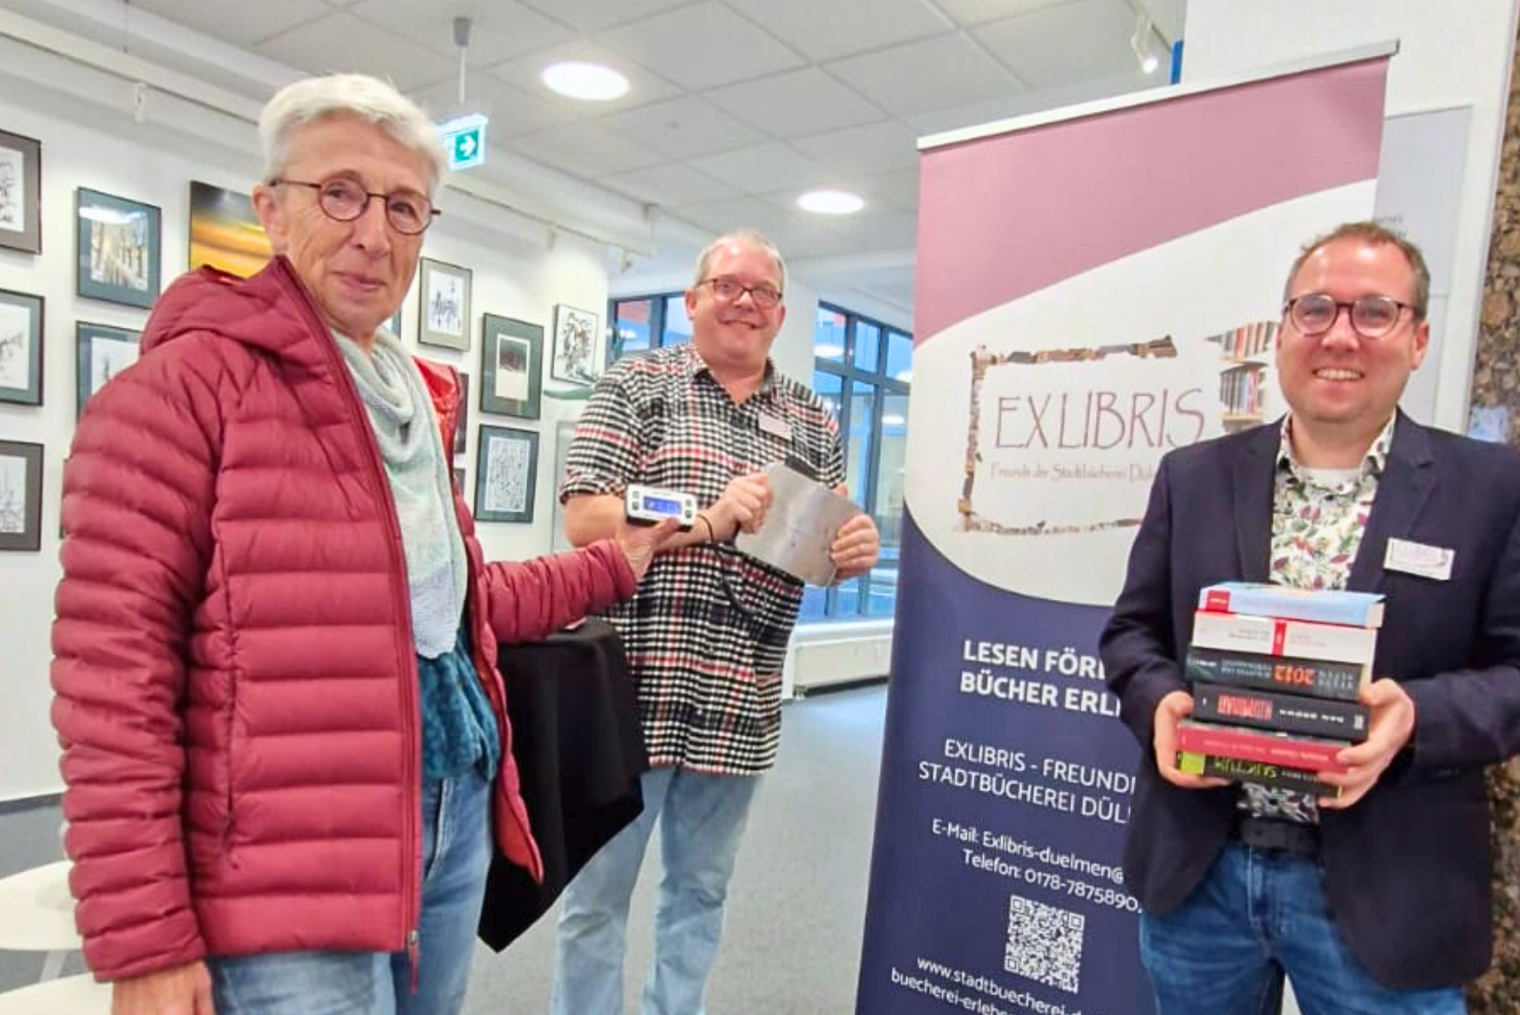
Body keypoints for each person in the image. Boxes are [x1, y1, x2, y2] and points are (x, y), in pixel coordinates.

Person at [50, 73, 675, 1015]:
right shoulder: (182, 391)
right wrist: (144, 938)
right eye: (338, 193)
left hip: (445, 817)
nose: (372, 233)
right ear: (270, 209)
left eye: (403, 207)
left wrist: (611, 561)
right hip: (282, 862)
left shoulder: (411, 399)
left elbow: (447, 603)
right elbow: (113, 680)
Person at [1100, 221, 1520, 1015]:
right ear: (1285, 327)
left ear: (1419, 337)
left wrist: (1418, 716)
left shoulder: (1491, 488)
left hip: (1391, 888)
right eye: (1316, 308)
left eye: (1374, 312)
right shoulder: (1193, 477)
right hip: (1202, 875)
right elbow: (1133, 632)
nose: (1340, 335)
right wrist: (1160, 705)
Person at [549, 229, 882, 1015]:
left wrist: (850, 551)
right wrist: (706, 515)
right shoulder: (640, 385)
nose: (744, 300)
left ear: (780, 313)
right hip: (626, 696)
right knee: (595, 901)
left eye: (761, 291)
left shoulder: (810, 417)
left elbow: (817, 548)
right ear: (693, 299)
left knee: (699, 894)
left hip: (740, 698)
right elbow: (585, 516)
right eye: (726, 284)